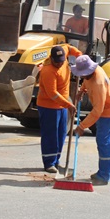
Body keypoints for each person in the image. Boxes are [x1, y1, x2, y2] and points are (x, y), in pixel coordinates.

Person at [72, 55, 110, 186]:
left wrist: (82, 126)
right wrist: (82, 91)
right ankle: (108, 169)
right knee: (106, 141)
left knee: (103, 141)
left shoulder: (98, 83)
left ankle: (104, 175)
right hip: (107, 109)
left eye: (83, 74)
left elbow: (97, 111)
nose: (82, 77)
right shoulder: (91, 73)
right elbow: (86, 82)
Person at [36, 44, 82, 173]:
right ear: (51, 59)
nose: (60, 65)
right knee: (50, 135)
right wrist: (68, 104)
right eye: (57, 63)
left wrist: (79, 56)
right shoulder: (48, 71)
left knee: (61, 133)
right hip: (48, 106)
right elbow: (53, 94)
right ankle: (49, 163)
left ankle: (57, 161)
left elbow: (69, 47)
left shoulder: (63, 52)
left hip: (62, 105)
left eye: (62, 62)